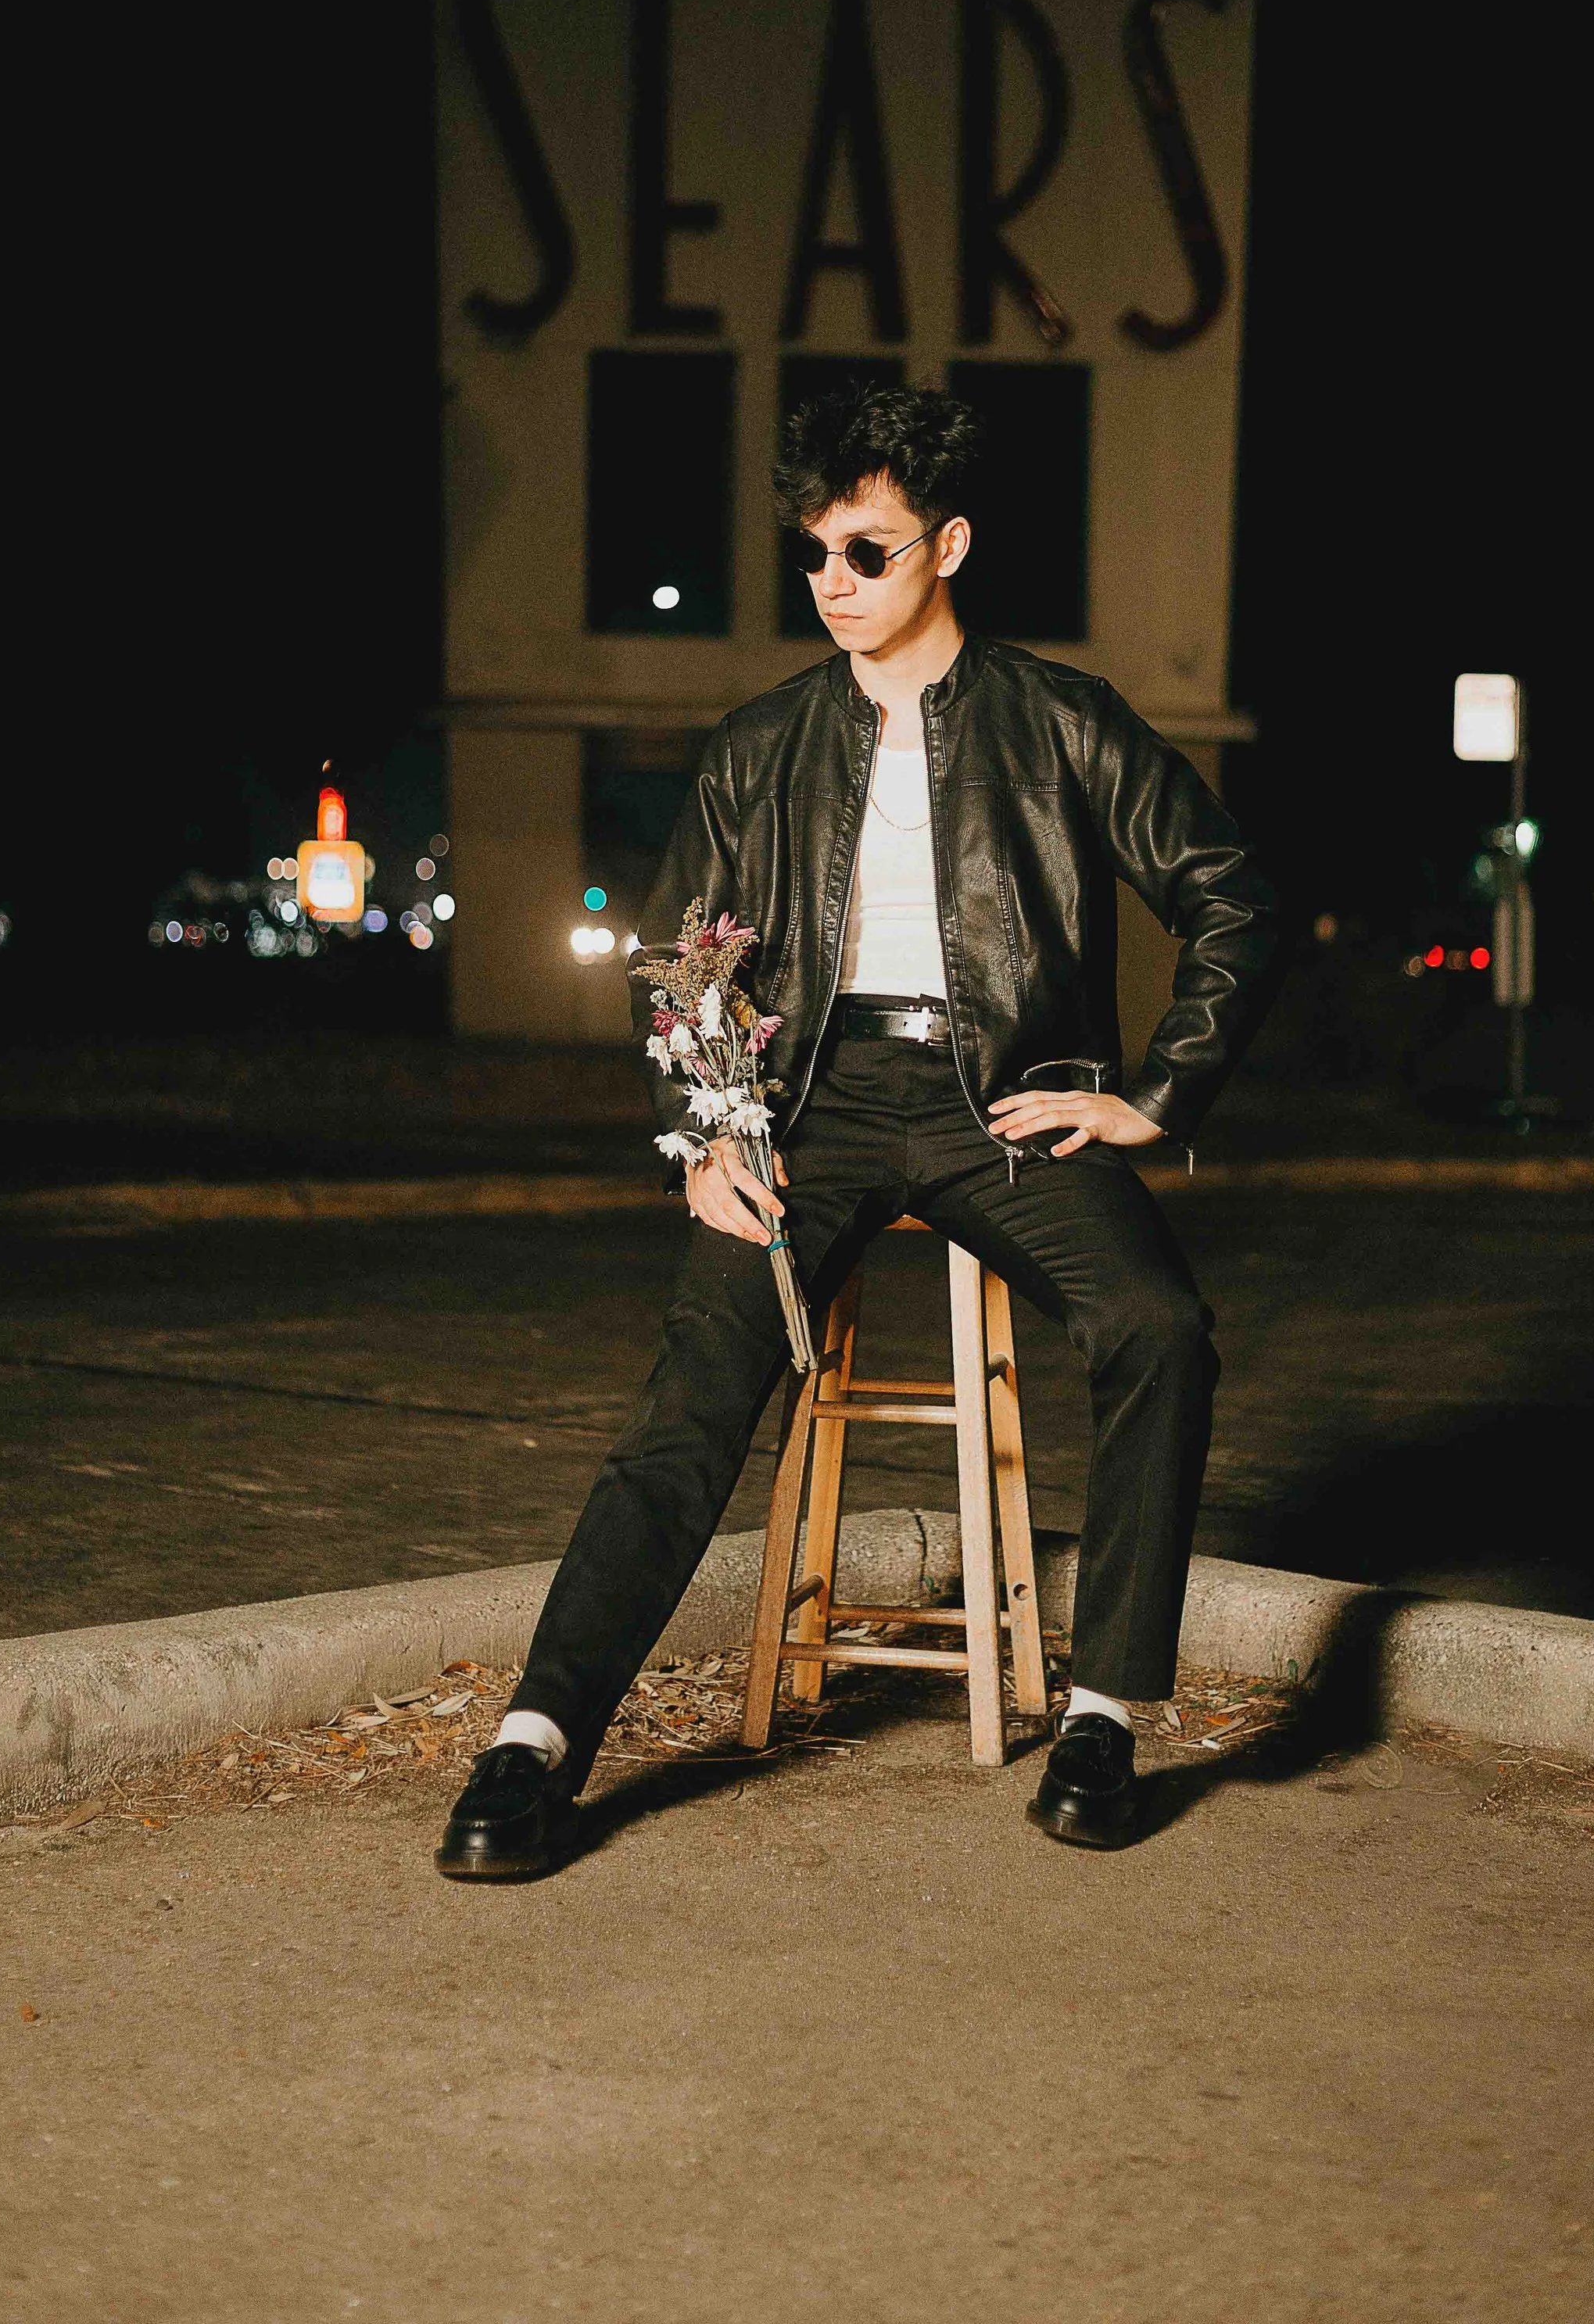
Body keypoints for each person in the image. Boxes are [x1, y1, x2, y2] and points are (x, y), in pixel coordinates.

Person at [437, 382, 1281, 1878]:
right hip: (806, 1110)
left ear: (948, 544)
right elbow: (681, 951)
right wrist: (705, 1135)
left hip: (1002, 1104)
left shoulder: (1060, 721)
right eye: (817, 551)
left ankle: (1101, 1715)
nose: (834, 581)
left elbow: (1230, 894)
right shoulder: (762, 744)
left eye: (869, 551)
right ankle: (537, 1740)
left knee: (1159, 1322)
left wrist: (1151, 1093)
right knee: (699, 1382)